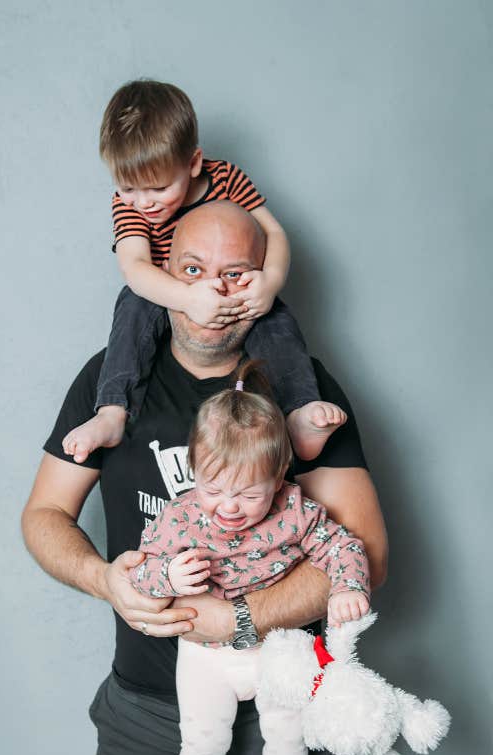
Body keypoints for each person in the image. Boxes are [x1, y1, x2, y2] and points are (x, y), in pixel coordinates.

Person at [22, 200, 388, 755]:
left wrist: (242, 620)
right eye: (193, 270)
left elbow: (364, 551)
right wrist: (103, 579)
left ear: (266, 279)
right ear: (162, 270)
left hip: (287, 702)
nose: (215, 294)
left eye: (238, 273)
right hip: (145, 721)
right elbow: (44, 515)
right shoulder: (108, 381)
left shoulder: (303, 393)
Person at [62, 79, 347, 466]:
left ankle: (298, 413)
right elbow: (135, 267)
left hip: (233, 289)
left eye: (159, 188)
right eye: (127, 187)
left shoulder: (226, 178)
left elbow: (274, 231)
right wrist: (188, 298)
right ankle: (112, 411)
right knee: (132, 304)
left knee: (275, 319)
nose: (142, 202)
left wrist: (270, 280)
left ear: (194, 164)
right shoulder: (128, 205)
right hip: (170, 289)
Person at [130, 360, 371, 755]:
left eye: (248, 495)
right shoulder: (179, 519)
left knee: (287, 737)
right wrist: (167, 574)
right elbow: (138, 576)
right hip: (205, 654)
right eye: (213, 489)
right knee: (203, 742)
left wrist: (348, 587)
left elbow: (344, 546)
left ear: (278, 478)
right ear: (194, 468)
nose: (230, 507)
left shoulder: (294, 510)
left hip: (278, 648)